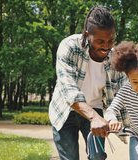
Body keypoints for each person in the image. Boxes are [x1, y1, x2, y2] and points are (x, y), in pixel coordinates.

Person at [48, 6, 127, 160]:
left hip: (96, 109)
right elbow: (69, 90)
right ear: (87, 35)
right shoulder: (69, 46)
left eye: (111, 40)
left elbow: (122, 93)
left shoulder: (115, 58)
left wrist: (111, 117)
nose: (106, 46)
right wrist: (94, 118)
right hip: (66, 110)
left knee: (98, 157)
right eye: (100, 41)